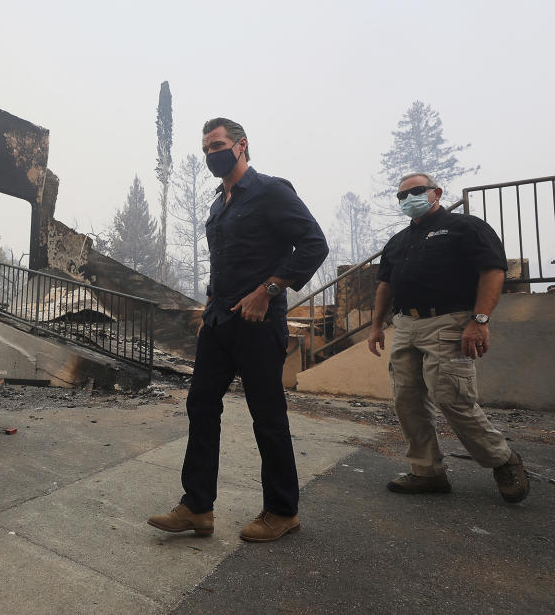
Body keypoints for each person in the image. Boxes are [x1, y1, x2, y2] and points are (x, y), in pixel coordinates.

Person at [148, 119, 328, 542]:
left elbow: (314, 244)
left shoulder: (271, 191)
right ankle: (197, 507)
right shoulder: (218, 205)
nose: (212, 154)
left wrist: (268, 290)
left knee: (267, 416)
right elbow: (225, 263)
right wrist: (209, 306)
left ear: (241, 145)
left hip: (258, 324)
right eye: (207, 148)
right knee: (201, 407)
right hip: (219, 324)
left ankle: (283, 511)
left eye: (219, 145)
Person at [367, 173, 528, 502]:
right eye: (401, 196)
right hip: (406, 325)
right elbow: (385, 285)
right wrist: (376, 326)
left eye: (415, 192)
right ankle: (427, 472)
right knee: (407, 400)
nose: (407, 199)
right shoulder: (398, 241)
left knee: (451, 397)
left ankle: (502, 459)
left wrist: (479, 320)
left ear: (436, 192)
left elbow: (492, 269)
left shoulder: (465, 227)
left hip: (450, 322)